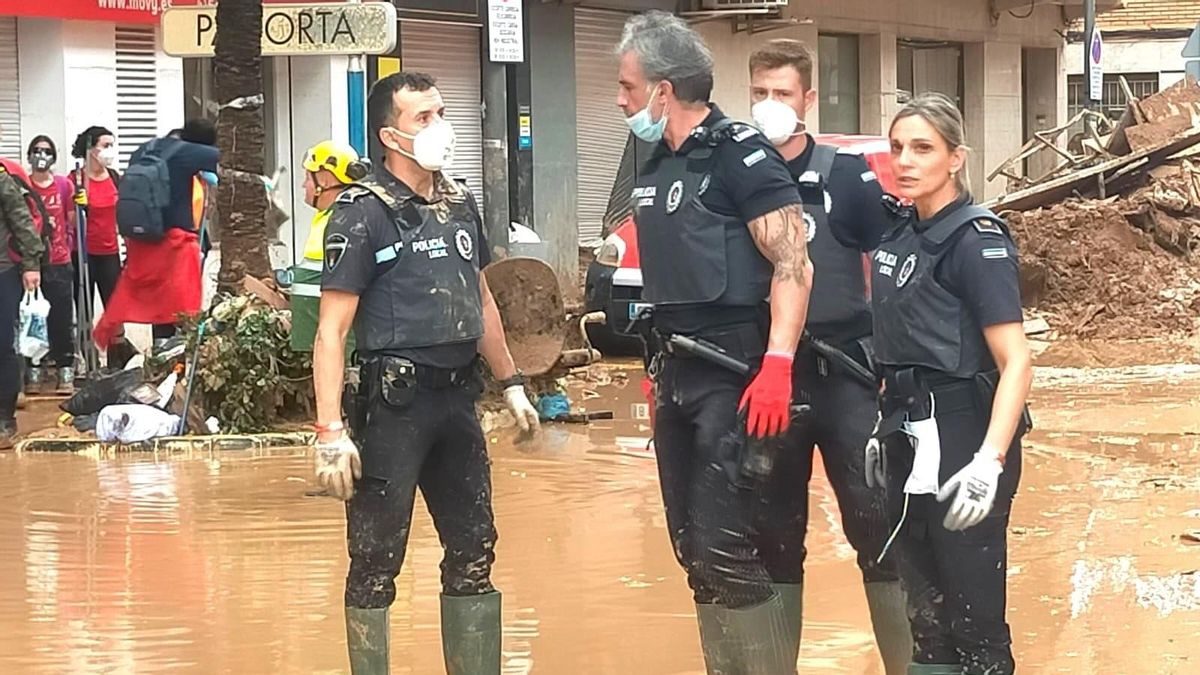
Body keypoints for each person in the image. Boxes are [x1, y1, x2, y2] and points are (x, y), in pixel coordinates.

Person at [312, 71, 540, 675]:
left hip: (457, 402)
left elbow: (481, 299)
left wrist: (512, 383)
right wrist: (330, 432)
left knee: (474, 548)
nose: (441, 127)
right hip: (393, 407)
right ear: (390, 135)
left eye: (442, 112)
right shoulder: (361, 213)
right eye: (424, 118)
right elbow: (331, 331)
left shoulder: (460, 200)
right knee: (376, 559)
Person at [616, 12, 813, 673]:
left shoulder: (739, 153)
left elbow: (794, 263)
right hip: (676, 373)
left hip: (736, 371)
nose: (620, 99)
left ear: (663, 89)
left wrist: (779, 364)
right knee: (690, 546)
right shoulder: (655, 159)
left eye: (626, 85)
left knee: (729, 545)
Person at [746, 39, 910, 672]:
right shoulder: (738, 172)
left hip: (847, 375)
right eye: (759, 93)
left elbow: (898, 264)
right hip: (769, 382)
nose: (769, 105)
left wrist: (898, 368)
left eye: (781, 94)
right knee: (772, 539)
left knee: (880, 526)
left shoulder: (845, 174)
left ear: (808, 100)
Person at [869, 92, 1032, 675]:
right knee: (927, 619)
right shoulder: (902, 234)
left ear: (955, 158)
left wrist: (989, 462)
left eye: (922, 148)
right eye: (896, 148)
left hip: (966, 436)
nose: (904, 161)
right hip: (908, 433)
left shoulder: (976, 242)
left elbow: (1017, 361)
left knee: (975, 620)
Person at [92, 119, 220, 352]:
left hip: (142, 239)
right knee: (178, 304)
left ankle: (159, 350)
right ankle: (173, 355)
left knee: (156, 301)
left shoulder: (146, 148)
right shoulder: (188, 152)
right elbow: (223, 159)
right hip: (175, 242)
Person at [290, 140, 367, 353]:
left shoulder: (345, 223)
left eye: (307, 178)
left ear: (324, 179)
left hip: (338, 354)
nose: (304, 185)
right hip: (319, 348)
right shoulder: (326, 217)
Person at [26, 135, 78, 393]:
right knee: (31, 318)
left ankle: (65, 369)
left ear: (54, 157)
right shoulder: (23, 185)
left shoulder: (63, 185)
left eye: (46, 151)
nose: (41, 155)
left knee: (61, 318)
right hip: (29, 262)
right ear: (29, 156)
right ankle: (33, 370)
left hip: (59, 260)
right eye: (36, 151)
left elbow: (71, 220)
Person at [0, 146, 45, 446]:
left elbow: (22, 222)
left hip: (2, 271)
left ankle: (5, 418)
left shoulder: (2, 179)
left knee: (3, 344)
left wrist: (31, 265)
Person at [70, 126, 122, 310]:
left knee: (115, 306)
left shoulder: (115, 178)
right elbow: (70, 223)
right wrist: (79, 206)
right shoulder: (75, 180)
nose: (110, 150)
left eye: (112, 145)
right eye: (106, 145)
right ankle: (86, 338)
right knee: (85, 307)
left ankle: (116, 338)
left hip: (110, 252)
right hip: (83, 252)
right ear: (91, 149)